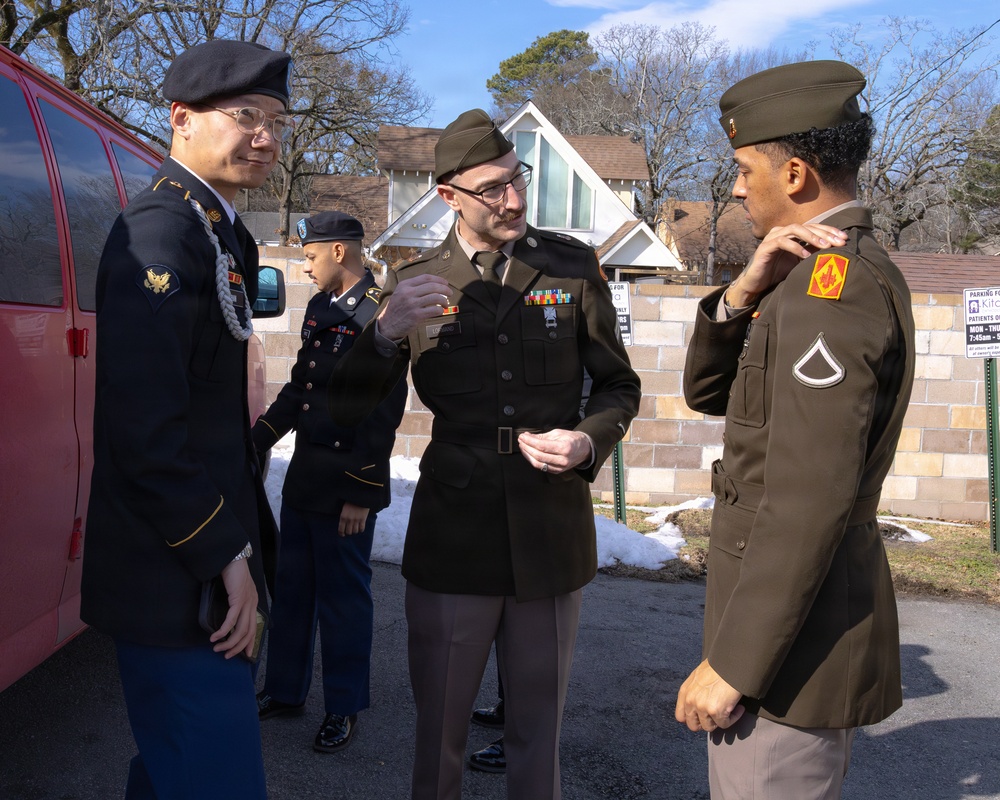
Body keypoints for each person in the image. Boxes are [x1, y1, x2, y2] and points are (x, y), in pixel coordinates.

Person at [328, 109, 641, 799]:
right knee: (439, 732)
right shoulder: (412, 282)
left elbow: (619, 384)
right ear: (449, 196)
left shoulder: (568, 265)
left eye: (517, 179)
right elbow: (348, 405)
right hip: (456, 536)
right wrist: (382, 335)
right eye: (493, 189)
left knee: (537, 735)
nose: (515, 200)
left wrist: (590, 437)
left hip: (549, 527)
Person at [674, 61, 915, 799]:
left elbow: (808, 498)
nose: (737, 187)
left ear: (799, 173)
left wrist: (736, 664)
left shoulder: (829, 286)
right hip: (786, 637)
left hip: (787, 660)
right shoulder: (796, 274)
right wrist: (746, 286)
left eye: (744, 170)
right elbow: (709, 393)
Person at [81, 40, 292, 799]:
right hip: (177, 580)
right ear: (181, 120)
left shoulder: (219, 230)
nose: (265, 135)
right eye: (245, 115)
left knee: (176, 773)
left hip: (204, 573)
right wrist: (223, 557)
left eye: (275, 120)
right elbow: (146, 430)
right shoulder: (161, 234)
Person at [253, 211, 407, 752]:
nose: (305, 267)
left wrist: (362, 493)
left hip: (347, 484)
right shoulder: (321, 308)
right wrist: (262, 434)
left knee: (344, 600)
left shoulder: (382, 316)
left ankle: (343, 706)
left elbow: (384, 411)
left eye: (310, 256)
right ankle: (285, 690)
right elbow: (304, 387)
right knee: (292, 590)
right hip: (307, 477)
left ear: (339, 252)